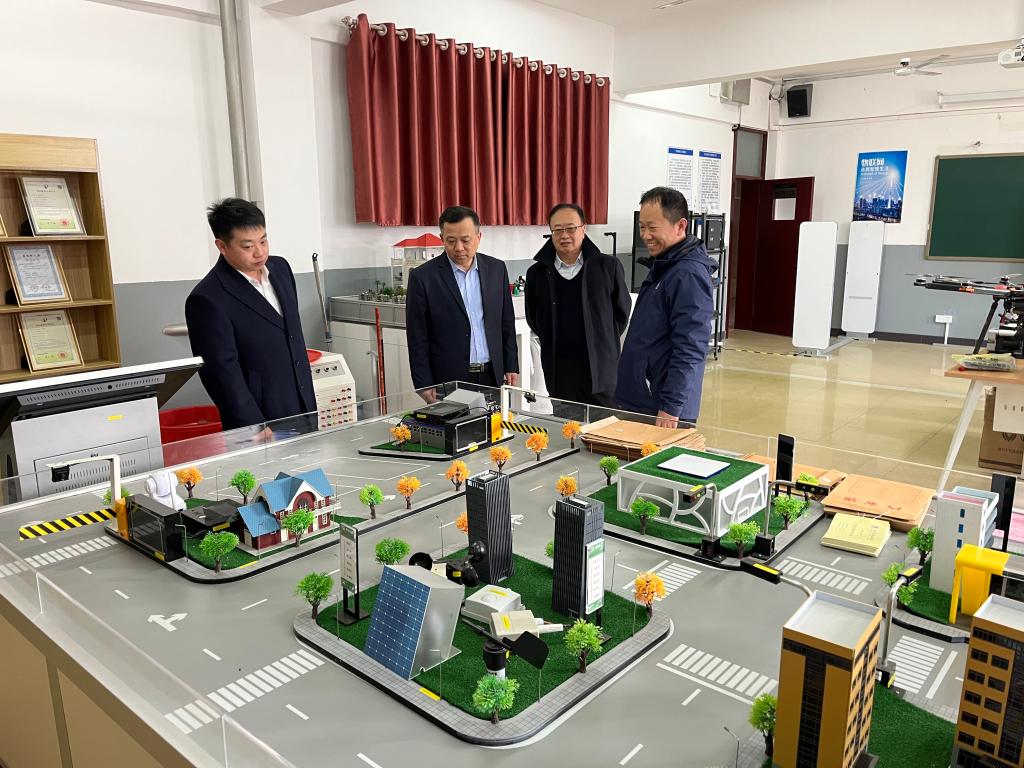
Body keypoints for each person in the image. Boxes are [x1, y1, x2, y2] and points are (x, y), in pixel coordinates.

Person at [185, 198, 315, 431]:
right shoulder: (208, 298)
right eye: (247, 247)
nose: (260, 252)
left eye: (263, 241)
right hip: (260, 421)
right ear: (222, 246)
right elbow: (221, 374)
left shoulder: (281, 269)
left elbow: (291, 337)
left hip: (303, 407)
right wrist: (254, 426)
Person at [615, 187, 716, 427]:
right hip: (642, 399)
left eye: (652, 228)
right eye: (642, 227)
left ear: (680, 225)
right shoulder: (664, 266)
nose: (646, 235)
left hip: (663, 409)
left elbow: (691, 346)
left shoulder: (688, 274)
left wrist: (671, 407)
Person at [406, 206, 519, 401]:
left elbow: (506, 322)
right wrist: (423, 383)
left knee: (496, 421)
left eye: (465, 240)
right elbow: (417, 336)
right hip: (448, 378)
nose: (458, 248)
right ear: (442, 238)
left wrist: (511, 364)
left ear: (478, 237)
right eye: (451, 241)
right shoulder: (423, 277)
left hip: (492, 375)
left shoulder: (496, 269)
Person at [525, 203, 630, 408]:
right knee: (567, 425)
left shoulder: (608, 266)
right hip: (560, 369)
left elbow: (621, 312)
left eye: (571, 228)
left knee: (605, 424)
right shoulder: (537, 274)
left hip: (601, 367)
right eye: (558, 230)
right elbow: (534, 318)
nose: (564, 235)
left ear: (583, 229)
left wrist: (601, 339)